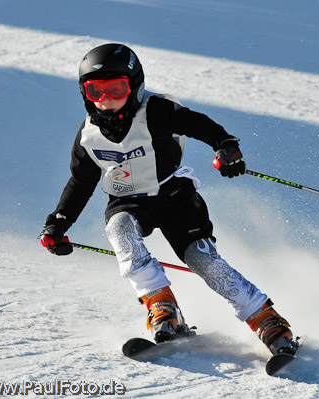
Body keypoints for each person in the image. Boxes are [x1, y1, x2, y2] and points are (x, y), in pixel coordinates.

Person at [39, 43, 298, 355]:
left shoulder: (156, 111)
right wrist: (58, 223)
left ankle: (267, 321)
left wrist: (225, 145)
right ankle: (162, 308)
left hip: (175, 196)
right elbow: (81, 182)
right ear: (85, 94)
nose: (106, 100)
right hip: (128, 200)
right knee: (120, 230)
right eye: (96, 91)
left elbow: (196, 123)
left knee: (202, 261)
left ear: (135, 86)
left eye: (116, 89)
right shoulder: (88, 136)